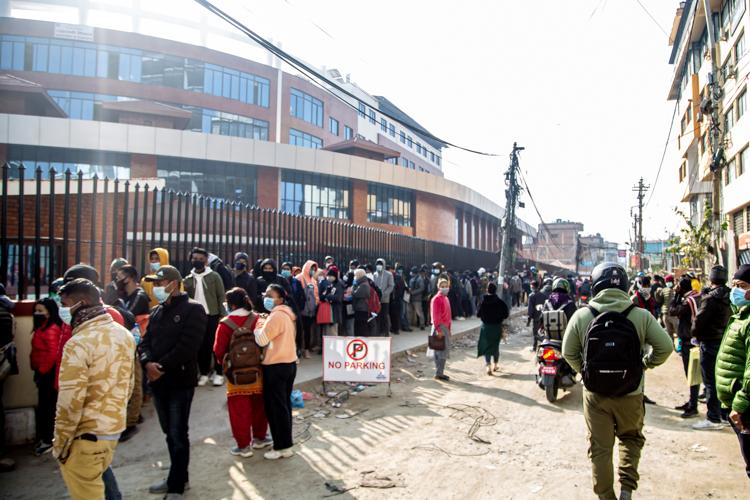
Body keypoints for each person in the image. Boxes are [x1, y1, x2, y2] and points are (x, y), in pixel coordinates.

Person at [562, 262, 673, 500]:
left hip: (595, 396)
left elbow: (568, 352)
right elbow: (665, 347)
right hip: (631, 392)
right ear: (624, 285)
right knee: (631, 438)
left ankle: (605, 496)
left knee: (600, 449)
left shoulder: (582, 315)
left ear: (594, 286)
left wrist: (584, 372)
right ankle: (626, 490)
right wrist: (643, 365)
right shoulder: (641, 315)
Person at [54, 278, 136, 500]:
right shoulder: (124, 335)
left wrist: (60, 445)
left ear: (80, 304)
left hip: (84, 436)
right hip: (111, 430)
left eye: (64, 302)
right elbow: (129, 386)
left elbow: (69, 402)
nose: (61, 308)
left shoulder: (79, 342)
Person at [139, 265, 206, 499]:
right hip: (158, 384)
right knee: (169, 433)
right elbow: (145, 342)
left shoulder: (193, 310)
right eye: (154, 284)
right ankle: (178, 477)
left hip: (179, 383)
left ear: (174, 283)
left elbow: (188, 347)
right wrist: (147, 363)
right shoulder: (157, 311)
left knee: (178, 435)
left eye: (160, 283)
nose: (156, 288)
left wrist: (161, 367)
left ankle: (176, 486)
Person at [213, 287, 270, 457]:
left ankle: (243, 446)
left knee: (239, 410)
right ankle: (260, 438)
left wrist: (226, 365)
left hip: (235, 374)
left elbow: (218, 350)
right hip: (258, 370)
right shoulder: (258, 319)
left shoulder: (225, 324)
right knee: (259, 406)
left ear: (230, 304)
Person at [254, 284, 299, 459]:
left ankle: (281, 447)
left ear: (280, 299)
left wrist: (259, 324)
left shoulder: (277, 316)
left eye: (270, 295)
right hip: (288, 364)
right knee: (283, 406)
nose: (266, 298)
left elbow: (262, 339)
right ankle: (285, 443)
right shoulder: (287, 314)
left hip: (275, 365)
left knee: (275, 408)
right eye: (265, 294)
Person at [717, 264, 750, 480]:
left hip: (746, 408)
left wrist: (739, 404)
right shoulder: (741, 316)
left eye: (742, 286)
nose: (736, 290)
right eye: (734, 285)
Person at [690, 265, 732, 431]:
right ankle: (724, 415)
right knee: (724, 379)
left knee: (710, 382)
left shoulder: (710, 299)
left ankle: (713, 418)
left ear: (711, 280)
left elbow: (698, 323)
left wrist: (694, 333)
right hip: (725, 342)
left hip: (709, 343)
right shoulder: (732, 296)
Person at [116, 264, 150, 442]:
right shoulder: (126, 296)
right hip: (125, 341)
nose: (117, 280)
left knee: (136, 383)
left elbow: (126, 317)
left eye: (119, 276)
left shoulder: (139, 296)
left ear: (128, 278)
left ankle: (131, 422)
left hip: (137, 342)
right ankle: (134, 414)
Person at [184, 247, 226, 387]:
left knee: (215, 345)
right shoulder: (188, 279)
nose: (198, 262)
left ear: (206, 261)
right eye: (196, 259)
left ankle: (219, 373)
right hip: (196, 318)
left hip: (213, 316)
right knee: (201, 347)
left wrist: (222, 314)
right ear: (191, 260)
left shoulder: (214, 276)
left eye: (201, 260)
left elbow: (221, 295)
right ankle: (203, 373)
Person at [30, 297, 62, 456]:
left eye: (40, 311)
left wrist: (42, 370)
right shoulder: (43, 327)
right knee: (45, 406)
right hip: (42, 371)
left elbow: (53, 353)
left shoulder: (51, 328)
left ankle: (48, 439)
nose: (37, 313)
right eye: (36, 311)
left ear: (50, 312)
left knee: (48, 407)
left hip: (47, 373)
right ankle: (46, 438)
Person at [669, 276, 702, 419]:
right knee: (694, 376)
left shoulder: (688, 302)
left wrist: (675, 294)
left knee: (692, 376)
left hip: (690, 343)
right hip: (694, 342)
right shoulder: (697, 298)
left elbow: (672, 310)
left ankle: (693, 406)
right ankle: (691, 402)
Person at [477, 282, 509, 375]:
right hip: (497, 327)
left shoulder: (482, 301)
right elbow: (505, 315)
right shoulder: (500, 302)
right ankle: (495, 365)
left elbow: (478, 314)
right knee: (495, 346)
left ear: (487, 290)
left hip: (486, 327)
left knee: (487, 345)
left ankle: (488, 365)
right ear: (496, 291)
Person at [431, 278, 452, 381]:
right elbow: (435, 316)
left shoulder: (446, 298)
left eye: (446, 286)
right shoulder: (437, 299)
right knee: (441, 351)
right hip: (440, 326)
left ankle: (440, 372)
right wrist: (438, 329)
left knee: (442, 350)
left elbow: (449, 315)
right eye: (442, 287)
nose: (445, 288)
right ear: (438, 287)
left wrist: (449, 329)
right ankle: (439, 373)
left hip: (445, 327)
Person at [298, 260, 320, 358]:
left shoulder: (314, 281)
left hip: (311, 310)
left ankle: (306, 349)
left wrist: (316, 303)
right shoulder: (300, 278)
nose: (312, 271)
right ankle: (299, 348)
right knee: (299, 330)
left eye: (314, 269)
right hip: (302, 309)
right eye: (311, 268)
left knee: (307, 331)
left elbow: (316, 294)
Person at [320, 266, 344, 336]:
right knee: (326, 333)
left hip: (334, 313)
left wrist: (327, 296)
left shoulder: (338, 285)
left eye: (330, 276)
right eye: (328, 275)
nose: (328, 277)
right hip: (328, 312)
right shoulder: (330, 285)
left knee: (332, 333)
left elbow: (338, 298)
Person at [373, 258, 395, 336]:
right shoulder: (374, 274)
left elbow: (390, 286)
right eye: (378, 264)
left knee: (385, 316)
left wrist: (384, 294)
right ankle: (378, 332)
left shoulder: (389, 274)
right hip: (376, 300)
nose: (379, 266)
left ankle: (386, 332)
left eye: (380, 264)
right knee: (377, 317)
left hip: (385, 299)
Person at [656, 275, 678, 343]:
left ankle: (680, 346)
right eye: (667, 281)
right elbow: (659, 300)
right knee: (669, 332)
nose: (668, 283)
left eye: (669, 281)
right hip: (665, 313)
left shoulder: (676, 289)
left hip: (674, 314)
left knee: (677, 330)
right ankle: (672, 345)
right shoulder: (664, 290)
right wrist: (657, 293)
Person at [350, 269, 371, 336]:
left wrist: (353, 286)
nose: (355, 277)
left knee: (362, 327)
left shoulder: (363, 285)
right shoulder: (361, 284)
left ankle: (365, 342)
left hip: (362, 309)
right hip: (359, 308)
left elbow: (354, 294)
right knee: (358, 327)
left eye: (355, 275)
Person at [527, 280, 546, 351]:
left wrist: (529, 319)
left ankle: (541, 341)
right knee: (540, 332)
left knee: (535, 333)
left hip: (536, 317)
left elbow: (530, 309)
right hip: (543, 316)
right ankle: (535, 347)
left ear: (532, 287)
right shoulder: (543, 295)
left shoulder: (531, 296)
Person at [408, 266, 426, 330]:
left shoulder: (419, 279)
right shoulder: (414, 278)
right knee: (410, 312)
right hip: (412, 298)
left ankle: (422, 325)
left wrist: (414, 292)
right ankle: (407, 324)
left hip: (417, 298)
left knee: (419, 312)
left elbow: (422, 288)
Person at [390, 263, 405, 335]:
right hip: (392, 298)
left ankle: (395, 328)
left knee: (395, 314)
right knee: (392, 314)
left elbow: (396, 287)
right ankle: (393, 327)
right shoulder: (394, 276)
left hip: (395, 298)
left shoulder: (396, 276)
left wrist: (396, 296)